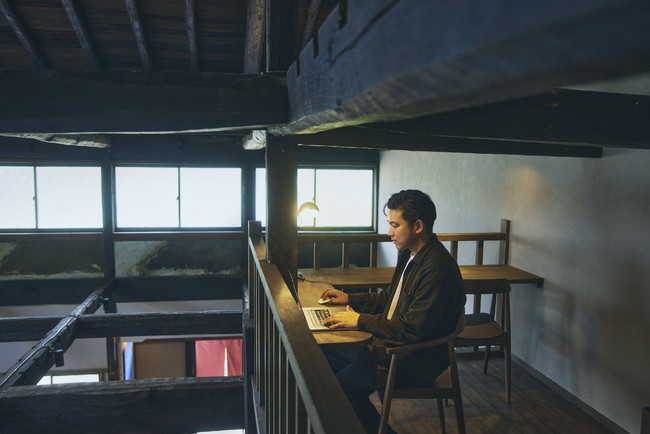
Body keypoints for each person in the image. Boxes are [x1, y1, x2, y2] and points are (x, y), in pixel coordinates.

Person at [321, 189, 466, 433]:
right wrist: (351, 299)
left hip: (410, 360)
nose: (389, 233)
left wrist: (360, 321)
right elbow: (390, 299)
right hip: (386, 347)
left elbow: (411, 328)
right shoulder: (410, 254)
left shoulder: (436, 269)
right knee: (321, 356)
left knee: (336, 392)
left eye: (395, 225)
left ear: (418, 226)